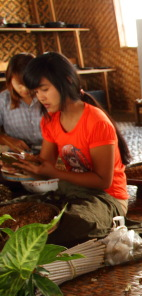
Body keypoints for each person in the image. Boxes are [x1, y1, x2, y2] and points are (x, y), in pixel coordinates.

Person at [13, 51, 132, 247]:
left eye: (44, 89)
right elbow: (45, 166)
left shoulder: (96, 122)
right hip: (73, 192)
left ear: (67, 81)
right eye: (36, 92)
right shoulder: (50, 120)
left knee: (71, 225)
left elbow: (103, 181)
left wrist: (55, 173)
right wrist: (20, 166)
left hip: (108, 198)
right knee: (17, 215)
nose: (41, 97)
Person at [0, 52, 43, 154]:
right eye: (19, 84)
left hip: (51, 153)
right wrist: (7, 140)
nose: (24, 89)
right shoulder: (3, 100)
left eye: (28, 83)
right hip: (18, 154)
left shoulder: (46, 96)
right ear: (10, 79)